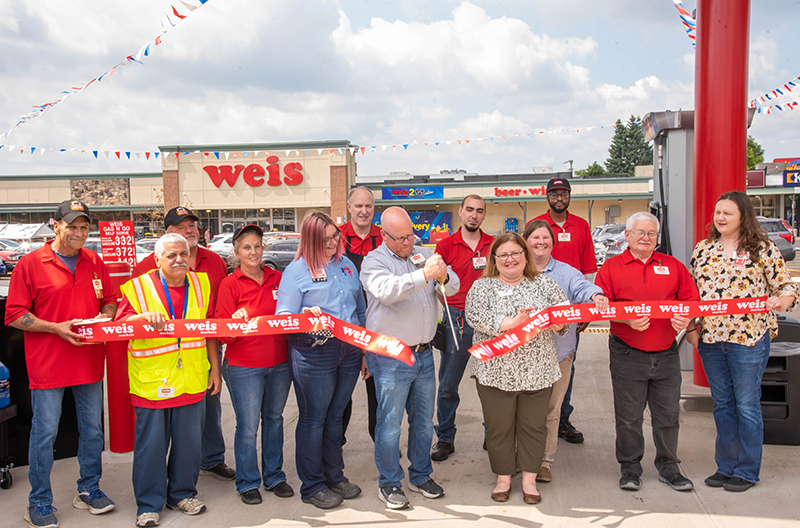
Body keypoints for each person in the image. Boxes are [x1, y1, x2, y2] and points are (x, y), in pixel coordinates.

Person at [6, 200, 117, 528]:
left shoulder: (94, 261)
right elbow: (14, 314)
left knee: (93, 430)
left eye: (84, 227)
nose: (79, 233)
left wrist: (103, 318)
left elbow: (110, 300)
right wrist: (56, 327)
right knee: (45, 433)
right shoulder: (30, 263)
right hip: (49, 364)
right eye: (72, 226)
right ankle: (38, 501)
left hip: (89, 360)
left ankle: (89, 489)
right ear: (55, 226)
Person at [687, 190, 797, 492]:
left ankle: (747, 470)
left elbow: (785, 285)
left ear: (743, 217)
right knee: (722, 405)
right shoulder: (704, 249)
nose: (720, 218)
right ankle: (726, 466)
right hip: (711, 339)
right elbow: (693, 294)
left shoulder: (761, 249)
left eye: (728, 213)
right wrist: (692, 330)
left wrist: (783, 301)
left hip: (748, 339)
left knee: (746, 405)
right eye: (717, 212)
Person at [116, 233, 222, 527]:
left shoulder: (201, 284)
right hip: (152, 383)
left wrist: (215, 369)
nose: (179, 260)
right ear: (157, 259)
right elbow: (119, 326)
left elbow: (209, 329)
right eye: (171, 255)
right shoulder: (138, 288)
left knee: (190, 445)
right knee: (151, 446)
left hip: (191, 379)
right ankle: (148, 504)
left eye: (183, 254)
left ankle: (182, 494)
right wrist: (141, 318)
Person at [360, 206, 459, 510]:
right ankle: (389, 482)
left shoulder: (422, 253)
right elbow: (388, 291)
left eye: (410, 236)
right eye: (400, 238)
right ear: (384, 235)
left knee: (423, 422)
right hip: (391, 357)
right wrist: (424, 274)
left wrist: (443, 276)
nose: (408, 243)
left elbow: (451, 287)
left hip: (424, 353)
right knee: (389, 424)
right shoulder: (373, 261)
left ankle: (420, 474)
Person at [595, 212, 698, 493]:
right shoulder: (611, 268)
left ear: (657, 237)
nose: (645, 238)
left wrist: (685, 319)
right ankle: (630, 466)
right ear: (626, 236)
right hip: (627, 353)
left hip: (666, 352)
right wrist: (625, 319)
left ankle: (668, 466)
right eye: (639, 232)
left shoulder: (672, 265)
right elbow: (601, 305)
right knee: (628, 416)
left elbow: (691, 301)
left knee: (668, 416)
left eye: (651, 233)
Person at [465, 232, 568, 505]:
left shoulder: (546, 284)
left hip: (538, 371)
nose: (510, 259)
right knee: (499, 428)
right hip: (494, 373)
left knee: (534, 427)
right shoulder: (482, 287)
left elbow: (564, 315)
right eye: (503, 255)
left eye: (516, 253)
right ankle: (503, 478)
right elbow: (474, 316)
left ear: (526, 255)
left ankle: (530, 481)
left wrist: (559, 323)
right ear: (494, 259)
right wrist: (510, 323)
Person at [133, 206, 234, 481]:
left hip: (202, 352)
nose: (189, 230)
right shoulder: (145, 267)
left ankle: (211, 459)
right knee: (162, 425)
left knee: (209, 408)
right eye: (181, 227)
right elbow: (131, 313)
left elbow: (217, 313)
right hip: (161, 362)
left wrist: (215, 366)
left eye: (192, 225)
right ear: (167, 234)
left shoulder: (215, 262)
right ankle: (162, 474)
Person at [275, 211, 365, 510]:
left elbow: (359, 309)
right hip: (314, 352)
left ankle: (334, 476)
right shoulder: (296, 271)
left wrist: (363, 348)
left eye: (335, 236)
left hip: (349, 351)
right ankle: (312, 485)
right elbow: (283, 319)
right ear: (310, 240)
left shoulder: (347, 264)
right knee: (314, 419)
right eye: (325, 239)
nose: (333, 242)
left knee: (336, 416)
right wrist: (304, 318)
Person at [524, 219, 608, 483]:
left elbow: (583, 288)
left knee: (551, 410)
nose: (541, 242)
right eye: (535, 238)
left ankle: (544, 462)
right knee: (523, 412)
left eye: (545, 238)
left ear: (553, 241)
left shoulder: (566, 272)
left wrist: (596, 296)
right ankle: (520, 458)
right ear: (526, 241)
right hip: (521, 357)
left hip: (559, 355)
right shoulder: (515, 270)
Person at [215, 225, 293, 504]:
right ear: (236, 253)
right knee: (248, 426)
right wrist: (235, 323)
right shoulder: (229, 284)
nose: (253, 252)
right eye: (247, 247)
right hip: (244, 367)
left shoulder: (277, 278)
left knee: (274, 420)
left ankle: (274, 476)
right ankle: (248, 481)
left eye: (257, 246)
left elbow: (291, 313)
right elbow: (222, 334)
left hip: (280, 364)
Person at [530, 177, 597, 445]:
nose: (559, 198)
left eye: (564, 193)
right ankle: (533, 424)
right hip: (538, 312)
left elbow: (589, 269)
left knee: (566, 363)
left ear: (570, 196)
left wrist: (585, 311)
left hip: (571, 309)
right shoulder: (536, 225)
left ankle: (562, 418)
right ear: (547, 196)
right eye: (554, 194)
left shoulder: (581, 225)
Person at [431, 194, 494, 462]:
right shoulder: (444, 246)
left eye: (479, 211)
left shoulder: (494, 245)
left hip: (489, 322)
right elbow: (434, 283)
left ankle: (494, 435)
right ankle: (445, 437)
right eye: (469, 210)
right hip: (455, 320)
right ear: (460, 211)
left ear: (484, 215)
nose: (474, 215)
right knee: (447, 385)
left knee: (492, 384)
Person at [340, 186, 383, 444]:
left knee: (377, 392)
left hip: (377, 324)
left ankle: (381, 442)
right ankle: (336, 442)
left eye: (368, 206)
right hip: (343, 325)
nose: (363, 211)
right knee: (341, 394)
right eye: (358, 206)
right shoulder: (335, 237)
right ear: (349, 208)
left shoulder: (384, 236)